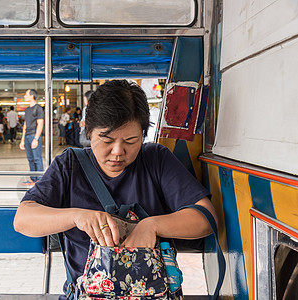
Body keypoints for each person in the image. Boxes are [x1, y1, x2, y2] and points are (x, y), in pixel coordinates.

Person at [14, 80, 217, 300]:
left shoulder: (156, 160)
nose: (118, 152)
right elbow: (23, 219)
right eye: (106, 139)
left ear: (143, 134)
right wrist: (77, 216)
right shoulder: (69, 165)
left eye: (131, 140)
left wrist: (152, 225)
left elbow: (205, 219)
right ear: (89, 132)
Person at [19, 89, 44, 185]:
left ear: (31, 96)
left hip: (34, 135)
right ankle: (33, 179)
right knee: (30, 159)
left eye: (26, 95)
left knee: (37, 158)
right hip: (27, 136)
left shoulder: (38, 108)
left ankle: (40, 180)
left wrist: (36, 139)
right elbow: (25, 124)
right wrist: (22, 140)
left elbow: (40, 124)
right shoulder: (27, 109)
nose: (24, 96)